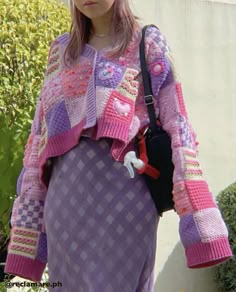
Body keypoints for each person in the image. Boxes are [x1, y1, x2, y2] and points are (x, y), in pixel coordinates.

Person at [4, 0, 232, 291]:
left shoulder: (147, 42)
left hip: (127, 201)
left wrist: (199, 217)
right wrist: (30, 228)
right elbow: (38, 139)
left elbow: (178, 122)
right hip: (64, 206)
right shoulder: (60, 51)